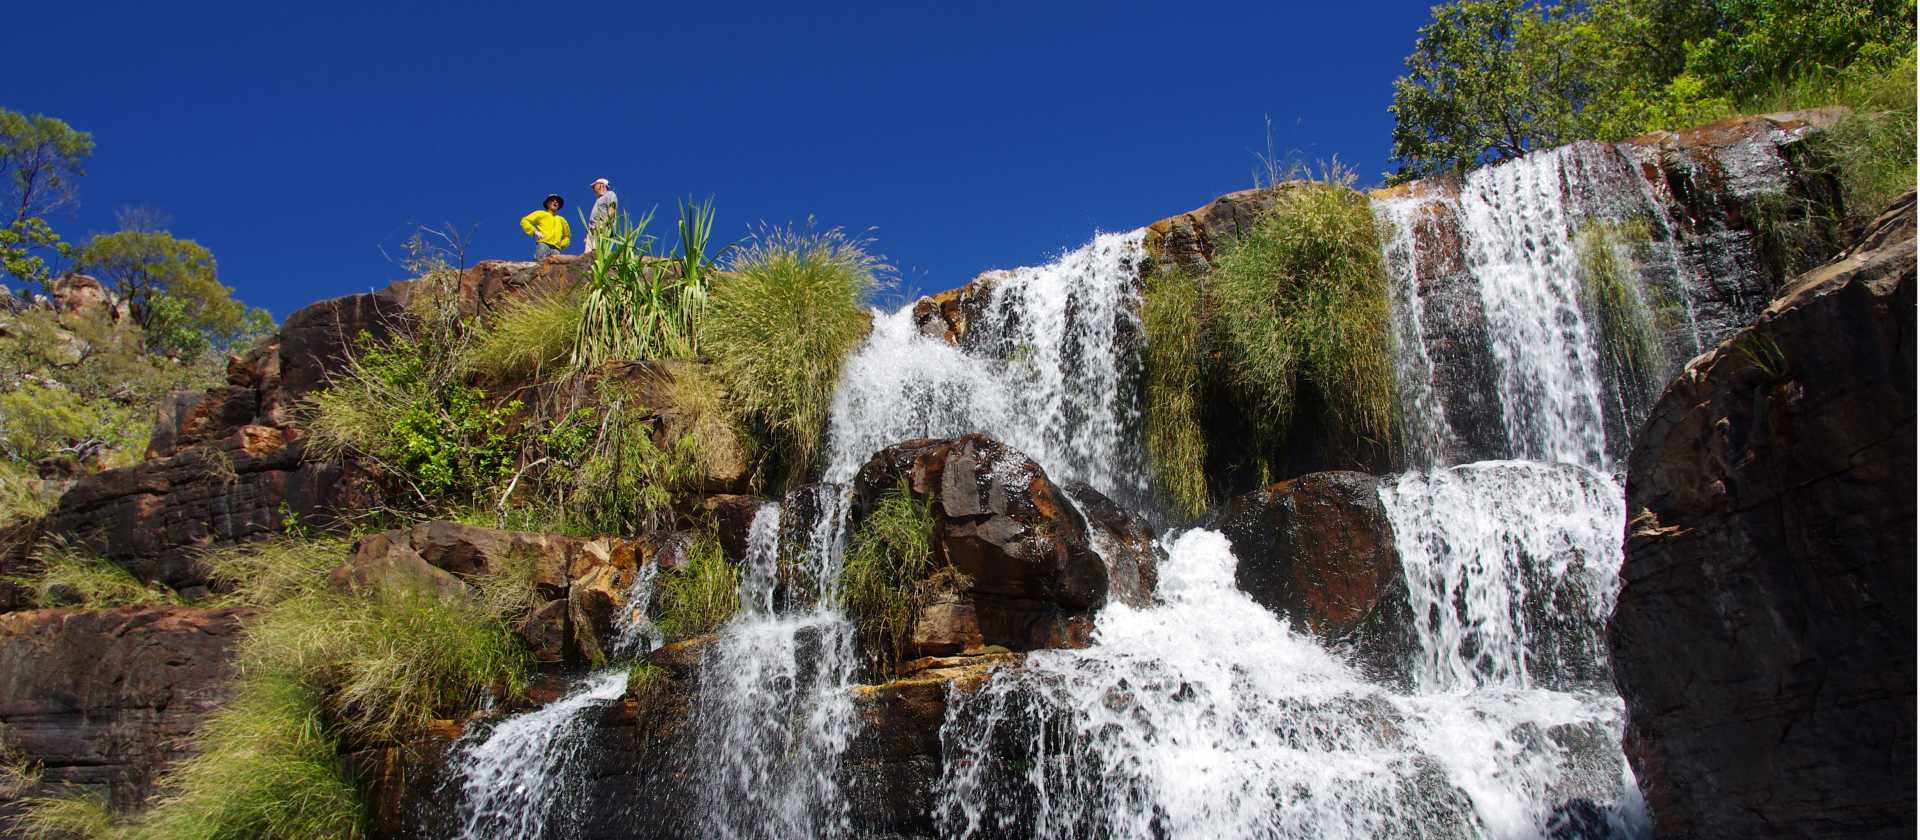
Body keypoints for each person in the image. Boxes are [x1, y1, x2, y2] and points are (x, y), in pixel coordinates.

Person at [520, 194, 571, 259]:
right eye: (552, 200)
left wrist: (561, 244)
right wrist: (535, 231)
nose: (555, 202)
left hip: (556, 249)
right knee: (540, 265)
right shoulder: (541, 214)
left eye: (558, 201)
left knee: (556, 268)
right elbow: (524, 221)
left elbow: (567, 236)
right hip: (543, 245)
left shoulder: (562, 220)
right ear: (547, 204)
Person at [585, 177, 618, 254]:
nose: (593, 189)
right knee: (587, 254)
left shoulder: (610, 194)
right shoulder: (598, 200)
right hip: (592, 230)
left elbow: (611, 209)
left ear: (601, 185)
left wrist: (603, 224)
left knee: (596, 252)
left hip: (602, 228)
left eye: (594, 186)